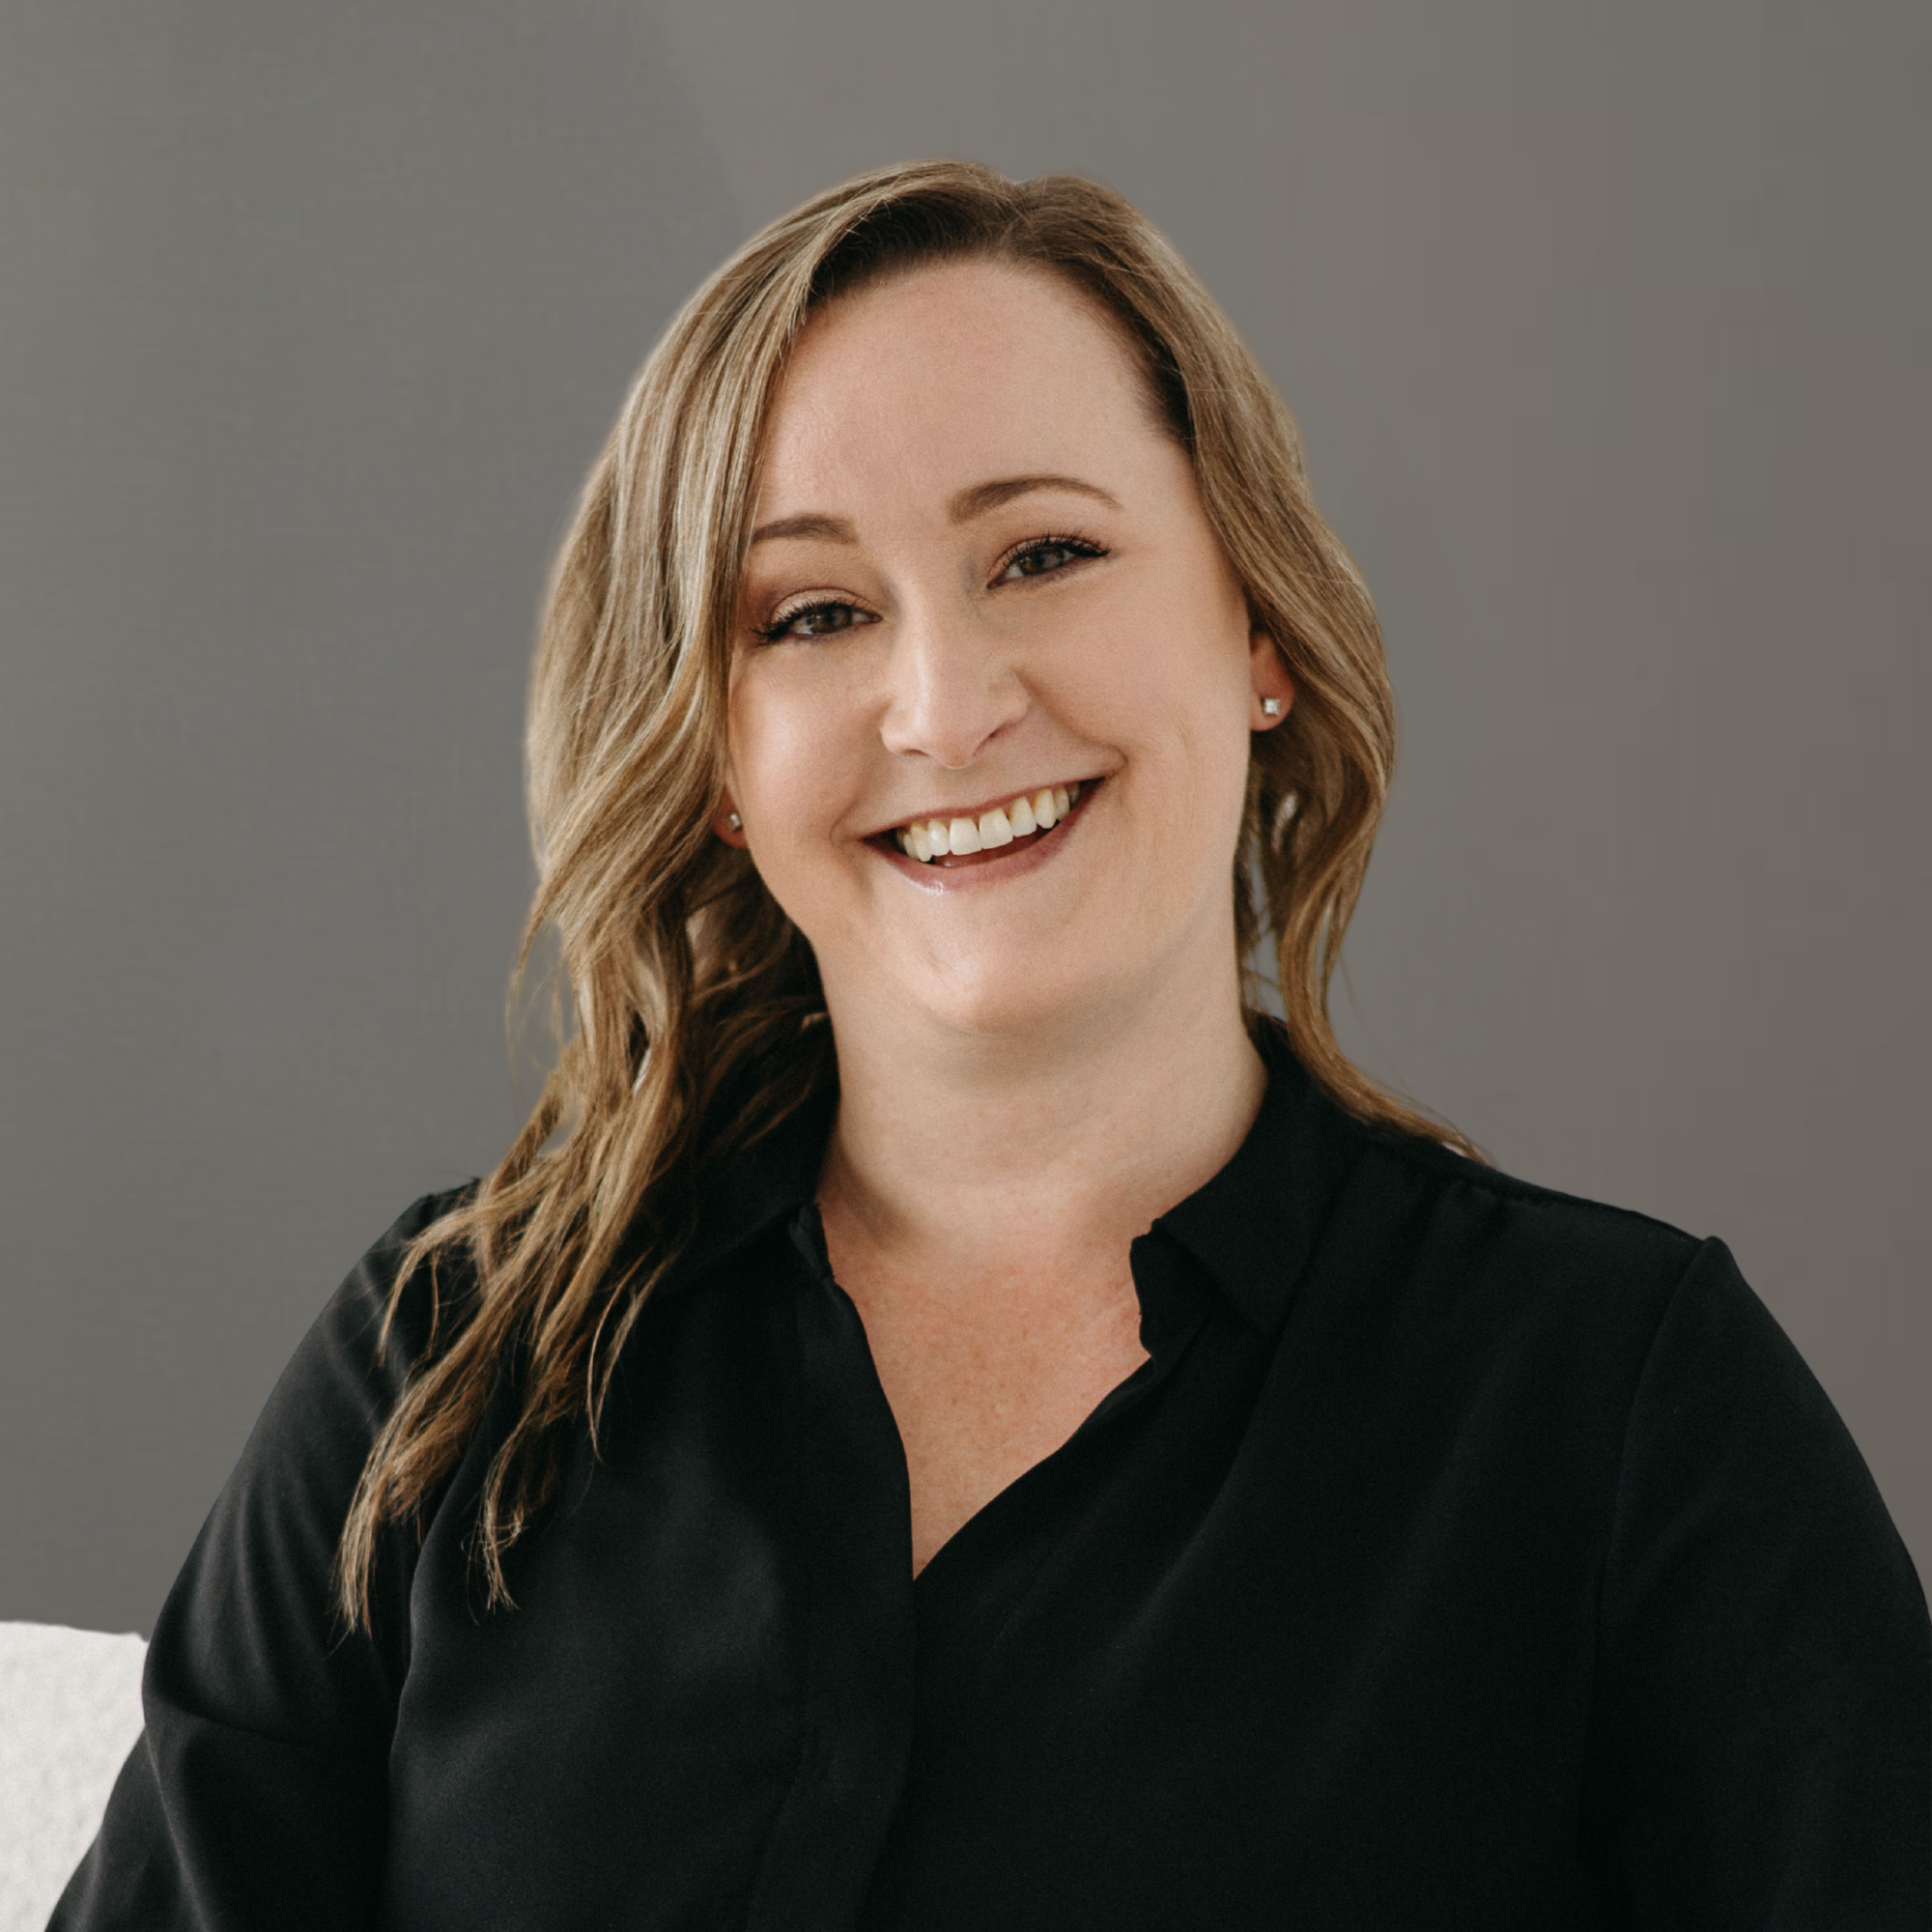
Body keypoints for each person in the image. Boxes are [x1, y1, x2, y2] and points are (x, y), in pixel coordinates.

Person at [55, 160, 1928, 1931]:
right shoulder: (445, 1364)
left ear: (1254, 622)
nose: (946, 706)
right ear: (720, 765)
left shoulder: (1622, 1419)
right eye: (812, 613)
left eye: (1040, 554)